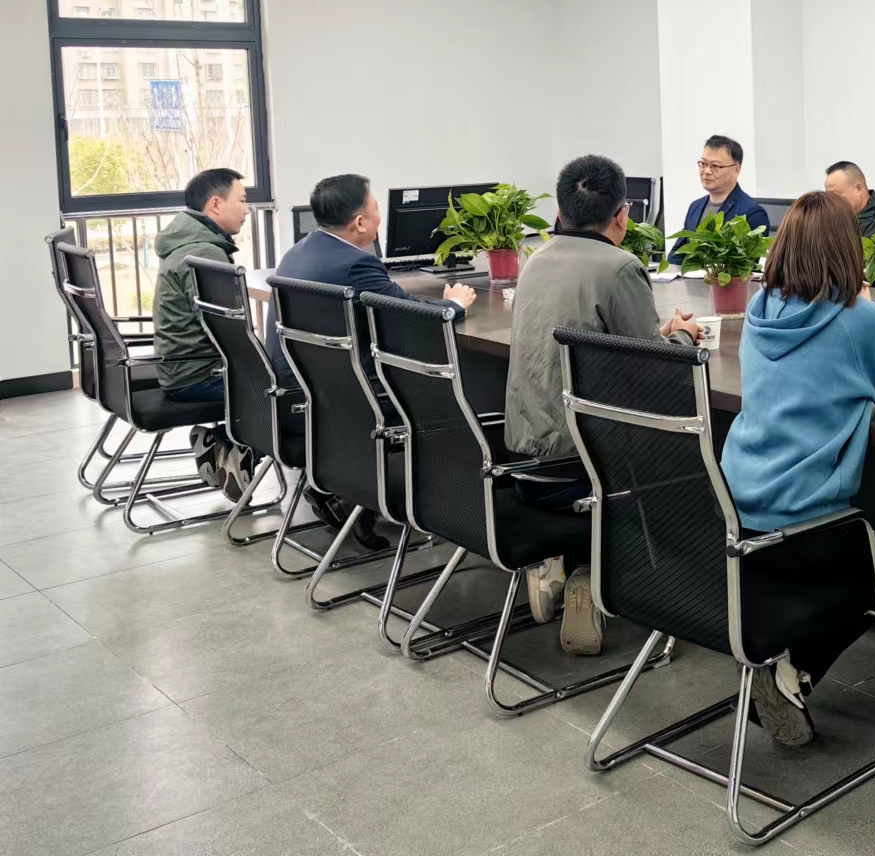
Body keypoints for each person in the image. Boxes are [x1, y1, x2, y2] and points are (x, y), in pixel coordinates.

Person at [719, 191, 875, 746]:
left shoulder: (759, 310)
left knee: (838, 568)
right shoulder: (859, 318)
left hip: (735, 507)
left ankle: (780, 663)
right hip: (804, 522)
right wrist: (873, 312)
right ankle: (793, 671)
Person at [505, 154, 702, 654]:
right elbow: (655, 373)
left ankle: (564, 560)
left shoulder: (535, 260)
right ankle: (597, 576)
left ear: (559, 212)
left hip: (527, 457)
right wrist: (682, 338)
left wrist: (651, 337)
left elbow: (596, 346)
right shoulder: (620, 266)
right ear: (623, 215)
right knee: (699, 452)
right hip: (586, 463)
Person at [263, 173, 476, 545]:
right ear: (360, 222)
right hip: (339, 403)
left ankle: (345, 490)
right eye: (376, 209)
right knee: (456, 392)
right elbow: (410, 317)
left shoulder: (298, 251)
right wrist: (454, 305)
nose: (380, 217)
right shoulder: (355, 265)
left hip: (295, 393)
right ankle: (450, 509)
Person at [152, 167, 250, 499]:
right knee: (290, 388)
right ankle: (236, 451)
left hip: (181, 368)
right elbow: (227, 330)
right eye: (242, 200)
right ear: (216, 204)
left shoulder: (189, 244)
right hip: (198, 376)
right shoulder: (205, 253)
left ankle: (218, 443)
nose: (248, 210)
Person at [668, 135, 770, 263]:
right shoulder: (695, 207)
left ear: (736, 170)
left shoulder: (752, 213)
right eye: (703, 164)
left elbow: (745, 266)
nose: (707, 171)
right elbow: (676, 255)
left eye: (715, 166)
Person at [824, 161, 875, 237]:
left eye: (836, 195)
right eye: (829, 196)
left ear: (859, 189)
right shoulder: (835, 218)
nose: (831, 201)